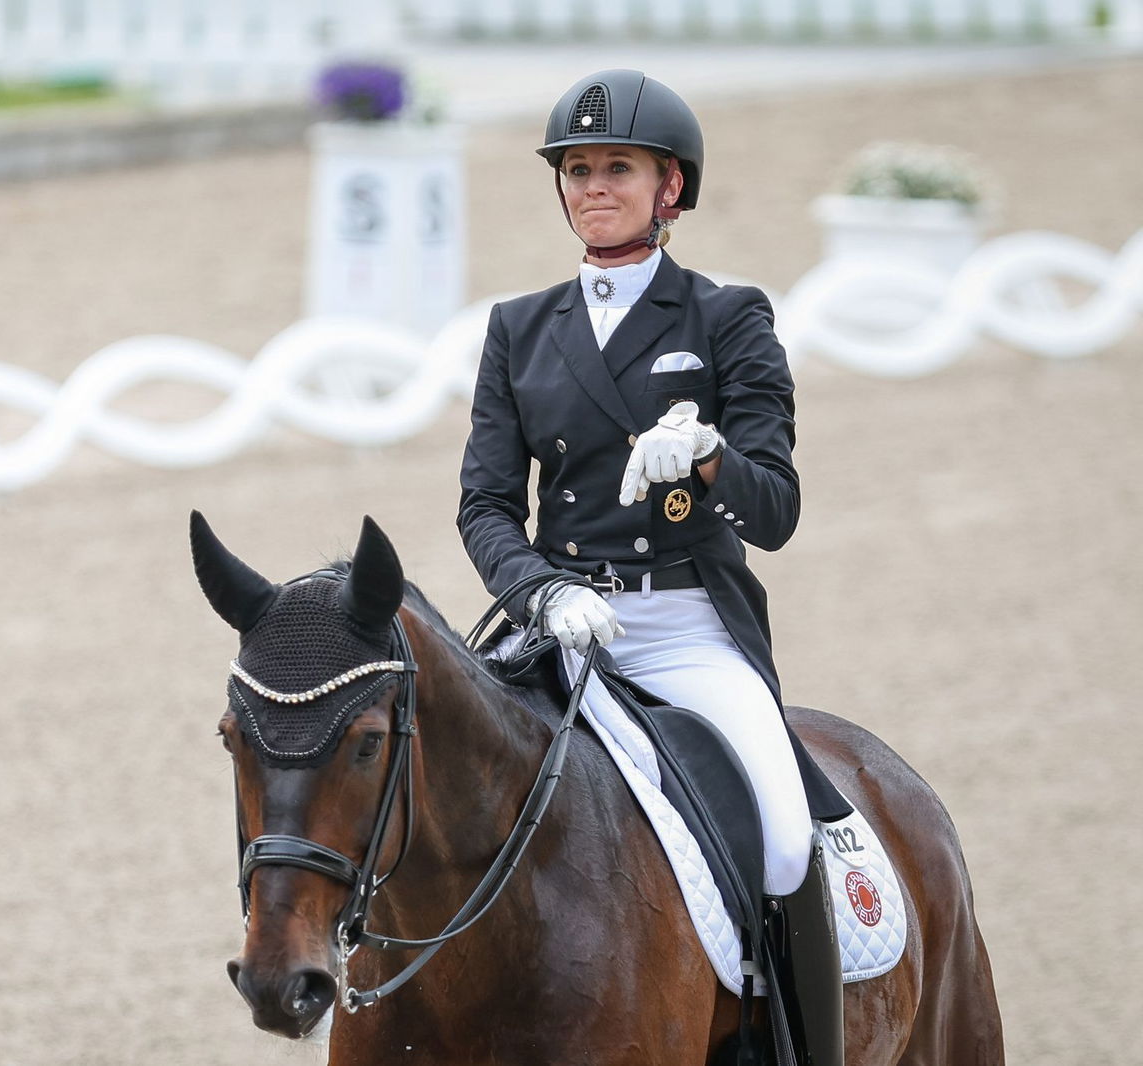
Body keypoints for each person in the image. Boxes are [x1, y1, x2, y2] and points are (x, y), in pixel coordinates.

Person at [456, 69, 846, 1066]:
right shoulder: (517, 328)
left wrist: (708, 455)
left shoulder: (726, 318)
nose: (593, 187)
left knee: (781, 832)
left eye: (616, 168)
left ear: (669, 187)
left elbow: (778, 510)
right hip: (558, 621)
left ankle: (793, 1047)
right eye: (577, 170)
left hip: (682, 628)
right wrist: (542, 590)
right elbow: (488, 505)